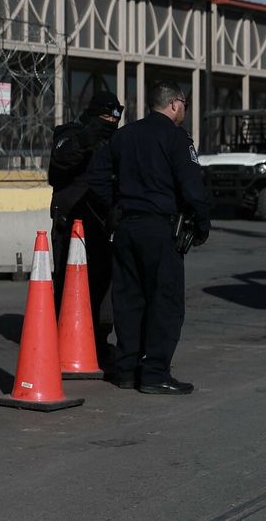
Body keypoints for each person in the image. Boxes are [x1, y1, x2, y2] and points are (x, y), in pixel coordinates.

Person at [88, 81, 210, 395]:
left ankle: (127, 370)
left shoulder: (123, 135)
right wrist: (202, 224)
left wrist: (113, 209)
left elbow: (97, 175)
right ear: (174, 104)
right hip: (161, 230)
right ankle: (155, 373)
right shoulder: (177, 138)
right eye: (183, 103)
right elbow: (192, 185)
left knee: (129, 300)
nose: (184, 109)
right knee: (165, 302)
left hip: (126, 228)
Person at [48, 90, 123, 361]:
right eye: (104, 117)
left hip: (102, 221)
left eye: (114, 119)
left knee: (102, 283)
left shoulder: (114, 140)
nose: (109, 123)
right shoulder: (71, 133)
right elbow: (61, 157)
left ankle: (98, 339)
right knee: (68, 282)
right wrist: (84, 140)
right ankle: (64, 336)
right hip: (71, 222)